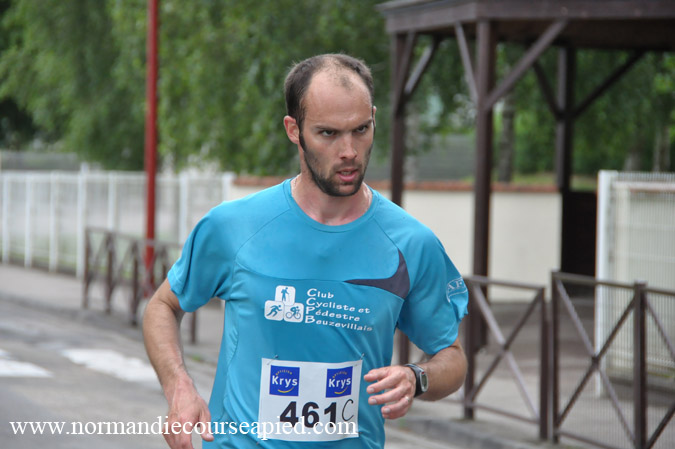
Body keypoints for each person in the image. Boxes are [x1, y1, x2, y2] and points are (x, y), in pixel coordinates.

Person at [143, 53, 469, 449]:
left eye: (361, 130)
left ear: (374, 120)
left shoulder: (411, 243)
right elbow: (163, 306)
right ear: (294, 130)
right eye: (328, 133)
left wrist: (417, 378)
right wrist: (178, 385)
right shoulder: (233, 226)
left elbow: (452, 357)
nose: (349, 151)